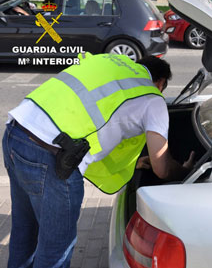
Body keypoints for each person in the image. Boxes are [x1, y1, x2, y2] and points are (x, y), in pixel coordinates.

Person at [2, 52, 195, 268]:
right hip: (51, 158)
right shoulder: (152, 98)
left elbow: (92, 120)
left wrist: (136, 163)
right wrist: (184, 170)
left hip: (15, 133)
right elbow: (162, 168)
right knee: (54, 252)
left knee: (24, 232)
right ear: (160, 82)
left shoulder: (106, 62)